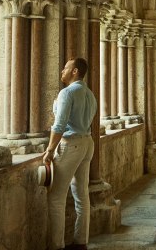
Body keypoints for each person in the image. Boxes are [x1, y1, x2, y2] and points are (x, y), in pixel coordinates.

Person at [43, 58, 98, 250]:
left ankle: (57, 245)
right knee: (82, 195)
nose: (62, 70)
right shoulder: (90, 95)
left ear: (75, 71)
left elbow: (59, 125)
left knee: (56, 197)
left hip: (71, 146)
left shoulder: (67, 93)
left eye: (66, 67)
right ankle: (80, 241)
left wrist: (50, 149)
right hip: (87, 144)